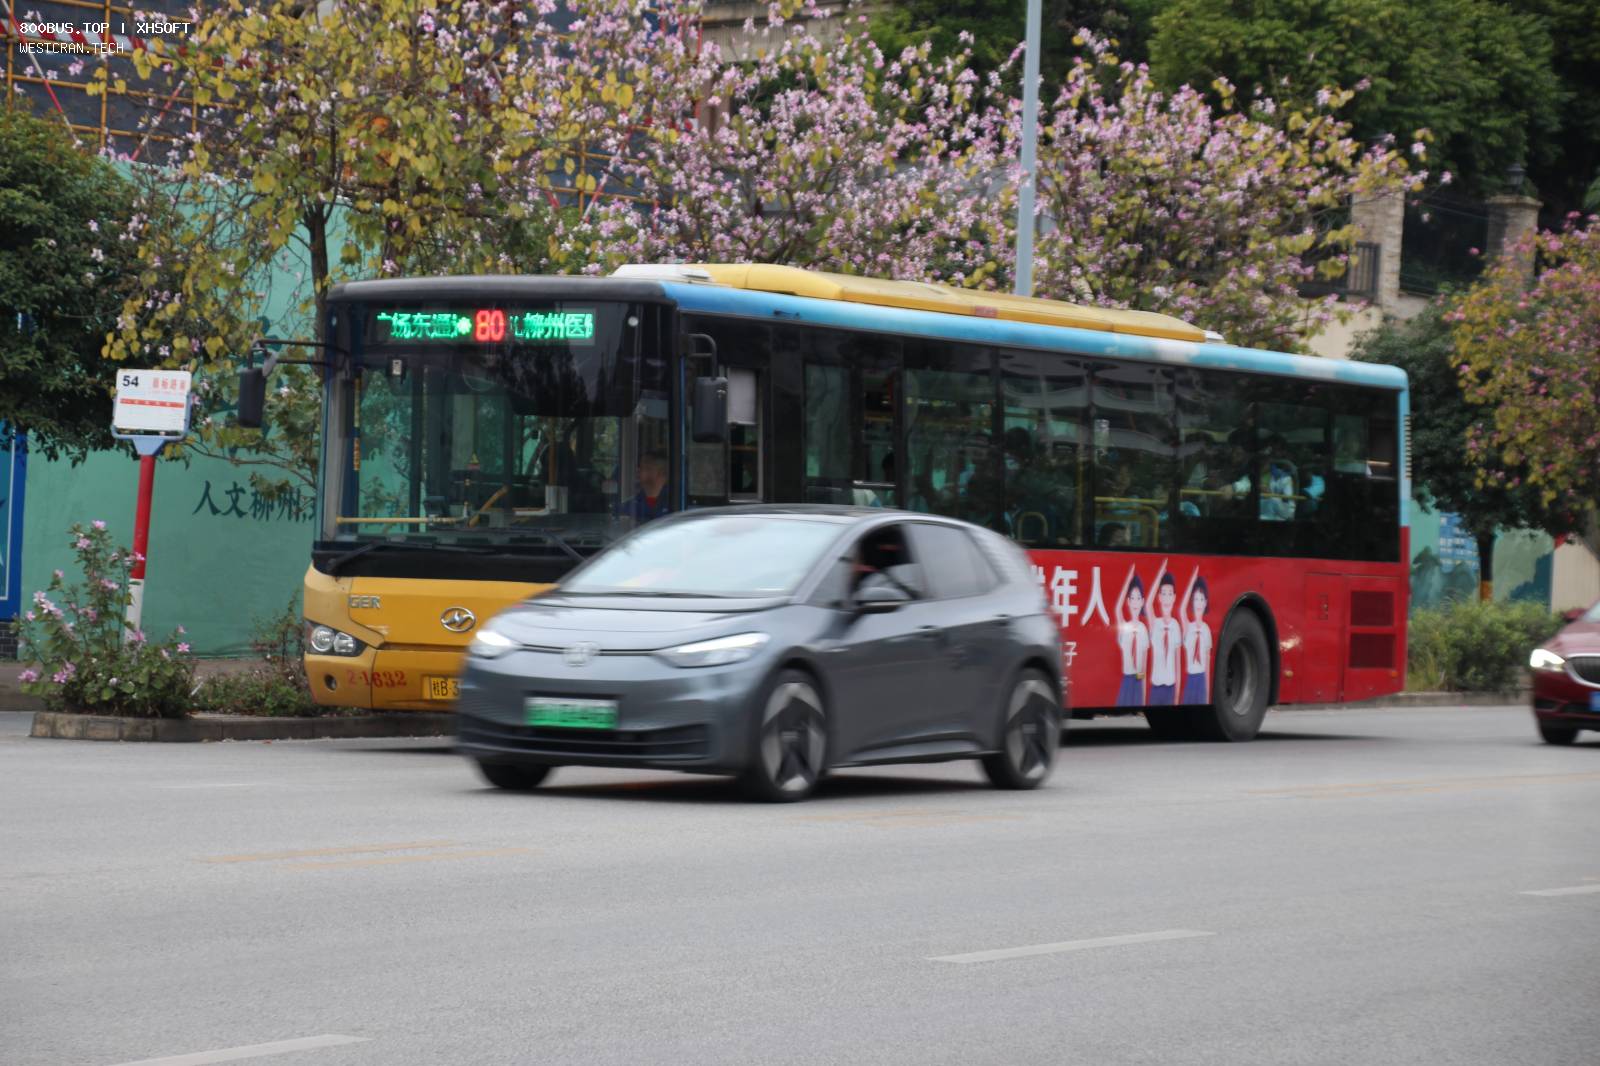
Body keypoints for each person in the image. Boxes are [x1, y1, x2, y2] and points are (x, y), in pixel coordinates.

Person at [1113, 565, 1151, 707]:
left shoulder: (1143, 630)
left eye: (1138, 598)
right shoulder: (1124, 627)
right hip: (1127, 680)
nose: (1135, 602)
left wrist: (1143, 694)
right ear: (1128, 601)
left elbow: (1143, 665)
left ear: (1142, 601)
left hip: (1137, 679)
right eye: (1132, 598)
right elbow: (1117, 609)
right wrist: (1128, 579)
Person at [1147, 570, 1182, 705]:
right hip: (1156, 688)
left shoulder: (1176, 626)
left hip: (1171, 688)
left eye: (1169, 594)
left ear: (1174, 597)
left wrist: (1177, 695)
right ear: (1159, 597)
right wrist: (1159, 574)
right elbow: (1148, 604)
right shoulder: (1155, 624)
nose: (1166, 598)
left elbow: (1178, 664)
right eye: (1163, 593)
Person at [1180, 570, 1212, 705]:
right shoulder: (1188, 627)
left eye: (1201, 599)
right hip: (1191, 679)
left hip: (1201, 680)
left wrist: (1208, 695)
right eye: (1195, 599)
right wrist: (1192, 581)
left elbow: (1207, 664)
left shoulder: (1206, 630)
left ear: (1205, 602)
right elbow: (1181, 609)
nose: (1198, 603)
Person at [617, 451, 671, 523]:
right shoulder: (629, 506)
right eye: (640, 467)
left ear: (662, 473)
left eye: (646, 467)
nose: (638, 471)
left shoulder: (675, 504)